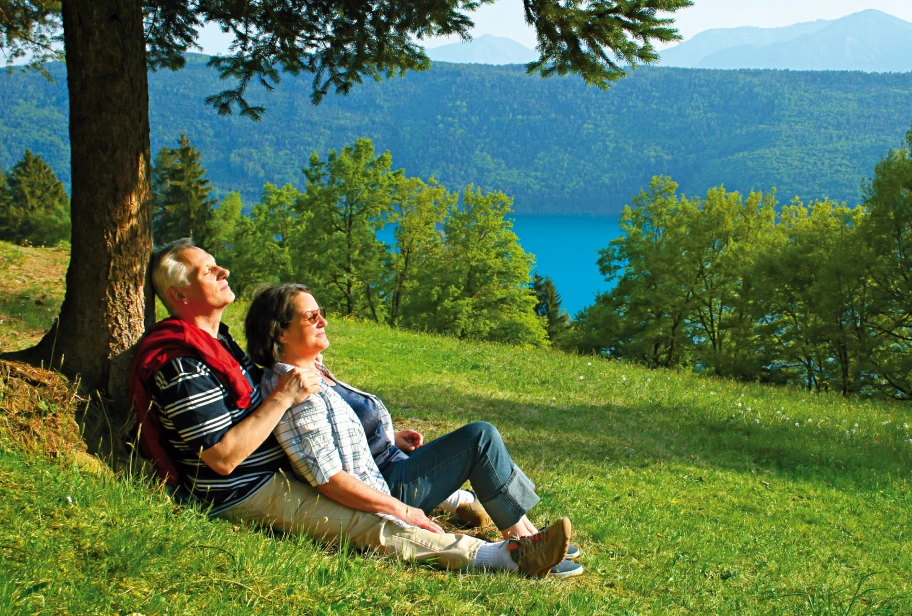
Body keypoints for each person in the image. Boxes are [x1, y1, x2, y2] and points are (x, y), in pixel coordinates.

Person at [130, 238, 571, 578]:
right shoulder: (182, 362)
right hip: (241, 489)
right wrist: (284, 397)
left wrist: (383, 436)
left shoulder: (218, 343)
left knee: (376, 509)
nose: (223, 270)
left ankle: (497, 524)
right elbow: (222, 458)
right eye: (208, 270)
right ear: (180, 294)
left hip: (274, 471)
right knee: (371, 526)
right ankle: (509, 557)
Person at [244, 283, 583, 577]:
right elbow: (327, 477)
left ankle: (530, 535)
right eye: (311, 317)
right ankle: (527, 544)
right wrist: (403, 510)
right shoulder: (294, 391)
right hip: (387, 489)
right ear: (280, 332)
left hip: (393, 463)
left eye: (321, 313)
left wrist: (388, 437)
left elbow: (340, 431)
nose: (324, 321)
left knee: (480, 439)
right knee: (479, 438)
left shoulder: (314, 370)